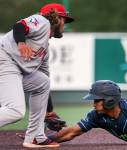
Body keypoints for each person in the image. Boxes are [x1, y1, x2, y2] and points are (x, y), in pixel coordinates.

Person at [0, 3, 74, 148]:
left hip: (12, 69)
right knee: (15, 110)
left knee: (43, 81)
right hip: (4, 59)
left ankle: (35, 137)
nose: (64, 25)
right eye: (64, 20)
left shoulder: (45, 49)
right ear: (57, 19)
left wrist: (49, 111)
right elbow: (19, 26)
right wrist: (21, 43)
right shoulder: (43, 21)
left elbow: (43, 83)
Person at [47, 80, 127, 144]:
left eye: (97, 100)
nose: (93, 104)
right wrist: (45, 139)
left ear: (109, 100)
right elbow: (71, 132)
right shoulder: (96, 115)